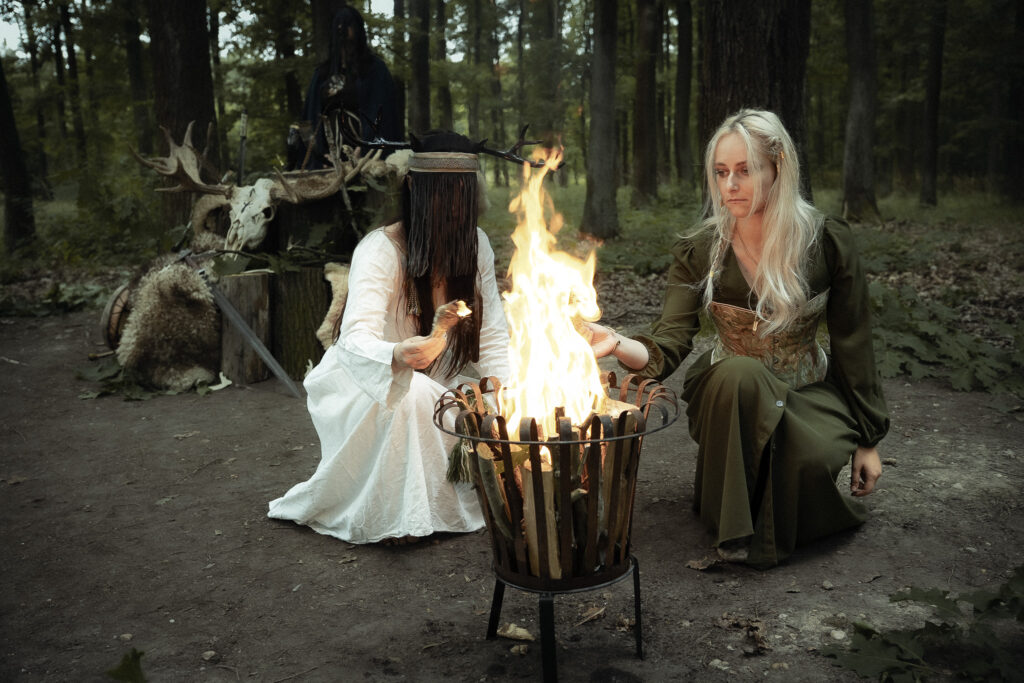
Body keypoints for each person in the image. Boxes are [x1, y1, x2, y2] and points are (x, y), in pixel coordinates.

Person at [587, 109, 889, 568]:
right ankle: (736, 531)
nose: (730, 185)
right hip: (728, 398)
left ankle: (767, 493)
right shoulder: (700, 249)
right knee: (742, 374)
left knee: (808, 460)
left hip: (806, 391)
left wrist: (868, 440)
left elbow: (854, 343)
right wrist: (615, 342)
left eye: (745, 171)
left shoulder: (825, 242)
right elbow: (669, 339)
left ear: (778, 168)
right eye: (721, 172)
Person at [268, 131, 511, 544]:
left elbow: (492, 338)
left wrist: (510, 393)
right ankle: (405, 518)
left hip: (439, 383)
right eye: (442, 196)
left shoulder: (477, 244)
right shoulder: (380, 249)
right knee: (412, 395)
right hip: (368, 385)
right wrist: (398, 353)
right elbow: (354, 340)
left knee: (494, 403)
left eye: (462, 196)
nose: (453, 210)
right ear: (414, 187)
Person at [293, 6, 399, 169]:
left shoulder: (373, 70)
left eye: (348, 24)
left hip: (364, 154)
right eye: (339, 25)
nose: (342, 29)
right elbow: (309, 119)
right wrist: (320, 155)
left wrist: (364, 149)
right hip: (328, 156)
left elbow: (382, 114)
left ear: (358, 30)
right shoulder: (322, 74)